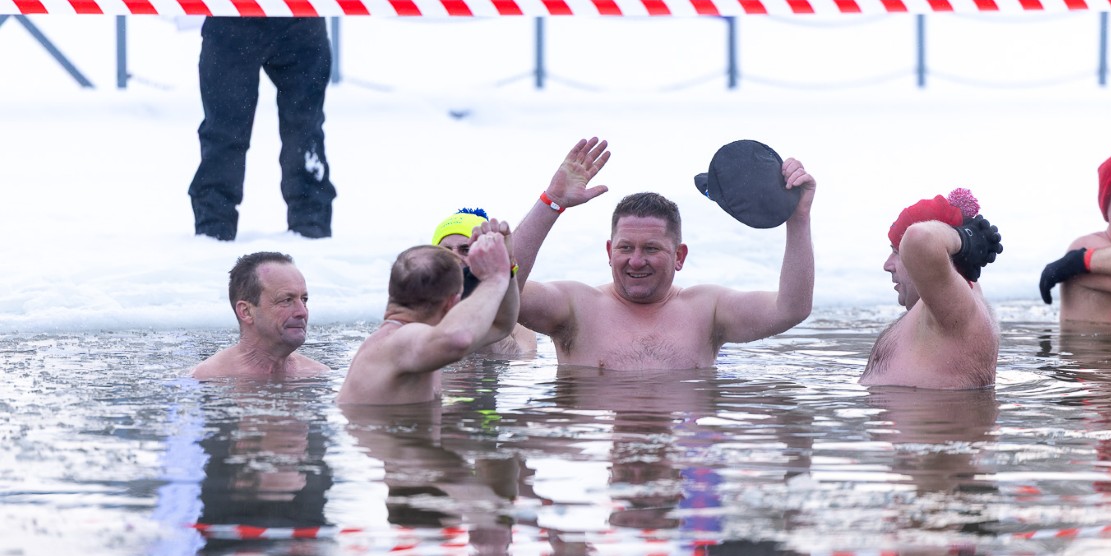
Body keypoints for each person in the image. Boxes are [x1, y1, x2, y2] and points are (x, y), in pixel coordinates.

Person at [510, 137, 816, 371]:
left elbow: (791, 309)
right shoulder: (576, 307)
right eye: (625, 247)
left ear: (679, 256)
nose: (636, 260)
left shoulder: (707, 310)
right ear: (609, 251)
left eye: (651, 248)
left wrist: (798, 217)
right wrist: (551, 202)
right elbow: (505, 291)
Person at [187, 0, 346, 240]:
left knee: (292, 127)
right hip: (254, 6)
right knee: (238, 130)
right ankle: (216, 233)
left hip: (281, 7)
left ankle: (306, 230)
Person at [337, 220, 519, 405]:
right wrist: (494, 278)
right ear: (452, 303)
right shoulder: (399, 341)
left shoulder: (421, 342)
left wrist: (508, 266)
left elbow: (500, 325)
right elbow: (458, 339)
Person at [860, 189, 1003, 390]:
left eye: (897, 252)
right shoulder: (937, 314)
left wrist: (965, 239)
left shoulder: (961, 313)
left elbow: (919, 238)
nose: (887, 265)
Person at [1039, 142, 1111, 329]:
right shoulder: (1085, 246)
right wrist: (1082, 258)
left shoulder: (1078, 261)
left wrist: (1082, 262)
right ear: (1107, 206)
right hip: (1102, 348)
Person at [191, 251, 329, 379]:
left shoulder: (316, 373)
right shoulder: (207, 378)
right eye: (287, 300)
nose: (302, 312)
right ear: (246, 312)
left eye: (304, 300)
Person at [432, 207, 538, 356]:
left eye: (465, 249)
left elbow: (522, 361)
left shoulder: (517, 328)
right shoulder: (420, 316)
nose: (454, 258)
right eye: (446, 251)